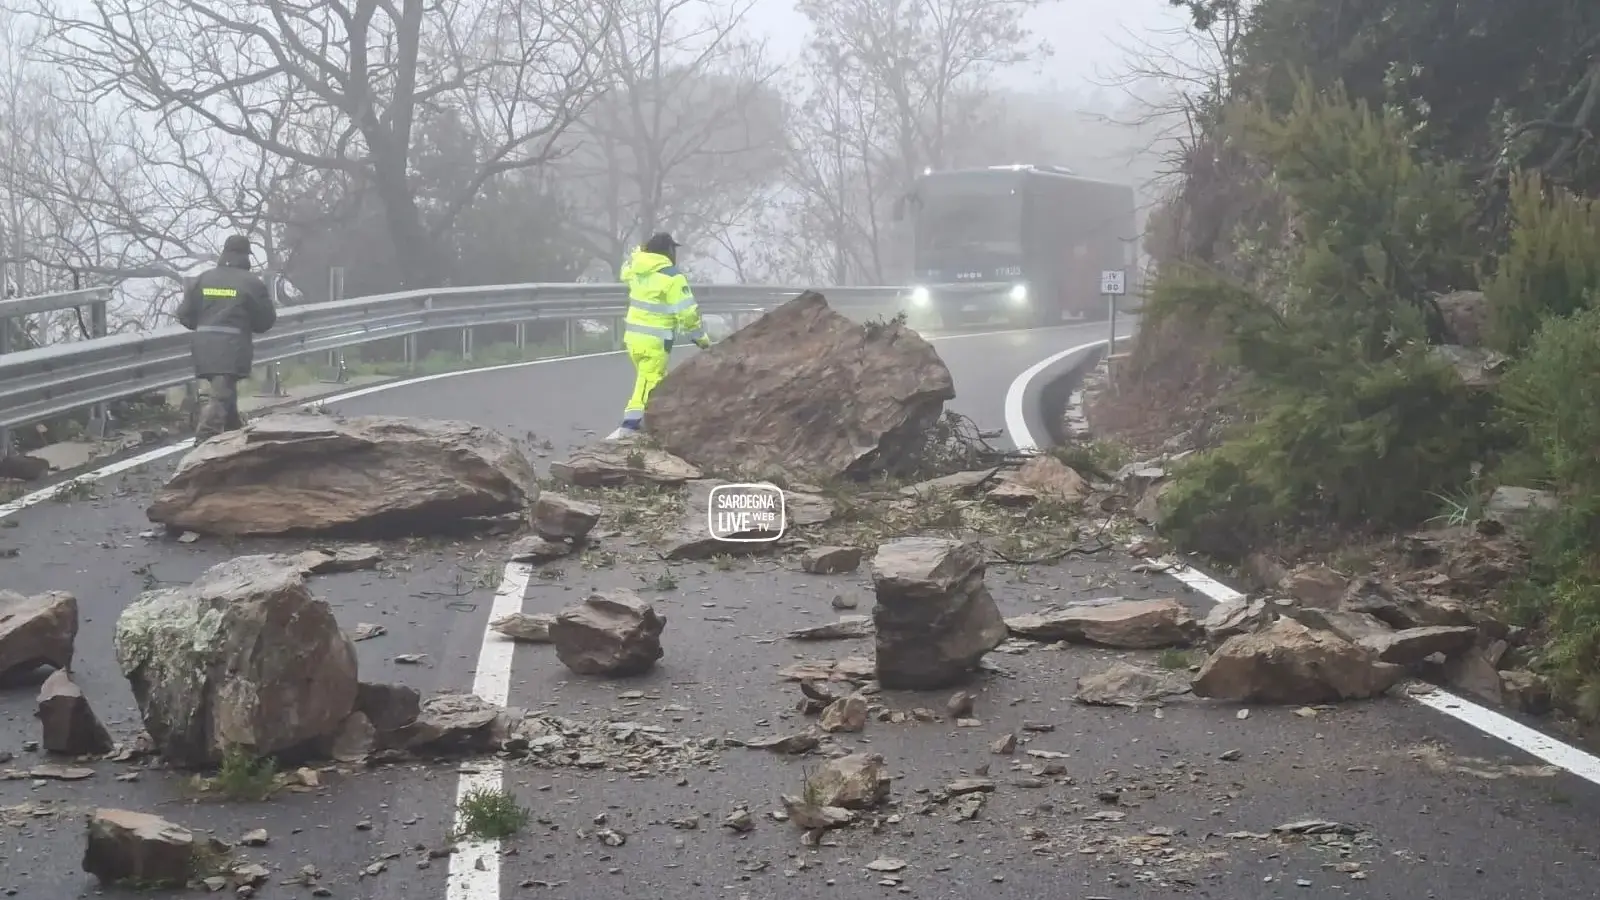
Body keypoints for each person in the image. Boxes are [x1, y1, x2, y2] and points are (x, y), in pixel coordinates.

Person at [607, 232, 710, 440]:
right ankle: (630, 426)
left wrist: (638, 253)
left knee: (652, 380)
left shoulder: (637, 270)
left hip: (633, 339)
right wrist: (701, 339)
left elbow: (624, 271)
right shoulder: (671, 276)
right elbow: (687, 313)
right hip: (654, 341)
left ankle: (655, 423)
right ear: (669, 251)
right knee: (649, 381)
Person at [176, 234, 277, 442]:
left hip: (203, 345)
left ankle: (235, 438)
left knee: (226, 393)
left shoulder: (205, 278)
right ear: (246, 256)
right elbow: (266, 321)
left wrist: (206, 327)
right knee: (221, 397)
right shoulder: (251, 283)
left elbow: (184, 314)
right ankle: (204, 441)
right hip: (232, 347)